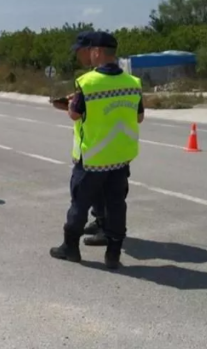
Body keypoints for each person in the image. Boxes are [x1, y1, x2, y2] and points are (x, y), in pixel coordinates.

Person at [49, 31, 144, 269]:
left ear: (98, 52)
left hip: (93, 157)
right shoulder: (132, 83)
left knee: (80, 203)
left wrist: (70, 103)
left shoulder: (87, 82)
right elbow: (139, 117)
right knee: (116, 205)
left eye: (92, 50)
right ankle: (113, 254)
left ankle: (70, 248)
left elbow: (75, 114)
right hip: (120, 158)